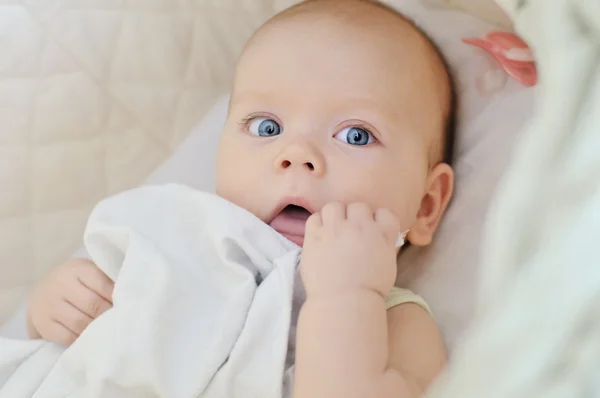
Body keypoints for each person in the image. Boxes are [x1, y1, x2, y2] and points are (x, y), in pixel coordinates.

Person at [24, 0, 456, 396]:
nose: (296, 155)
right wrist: (56, 308)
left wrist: (346, 297)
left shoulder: (395, 321)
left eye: (356, 135)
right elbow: (70, 356)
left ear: (425, 206)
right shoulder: (177, 242)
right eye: (267, 127)